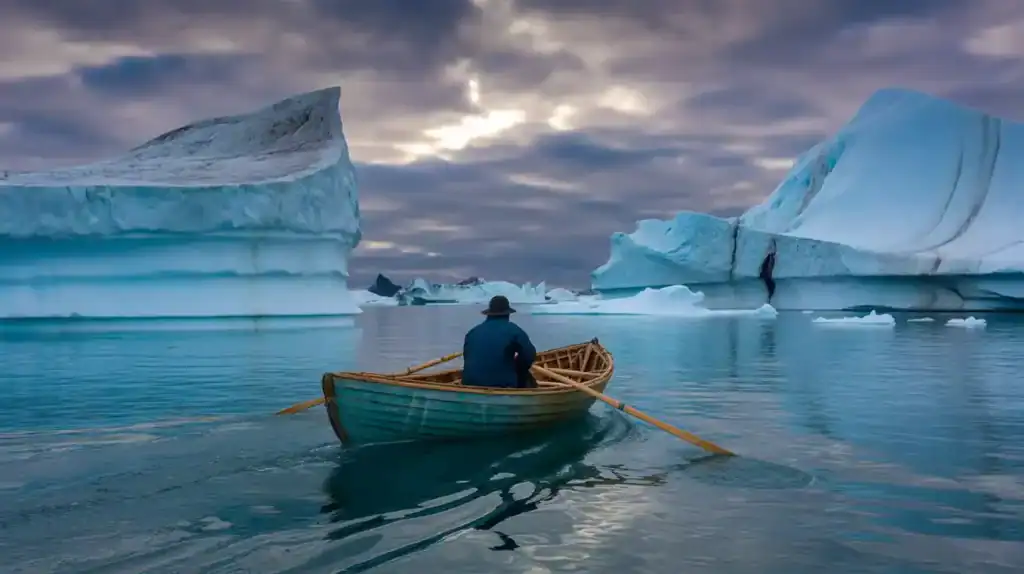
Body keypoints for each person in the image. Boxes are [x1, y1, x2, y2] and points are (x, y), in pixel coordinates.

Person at [462, 295, 538, 389]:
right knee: (527, 377)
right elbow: (529, 355)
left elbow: (467, 356)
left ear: (489, 314)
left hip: (469, 383)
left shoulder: (472, 332)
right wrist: (517, 367)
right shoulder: (514, 331)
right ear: (508, 314)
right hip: (502, 384)